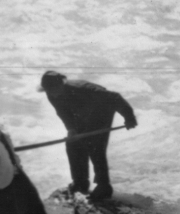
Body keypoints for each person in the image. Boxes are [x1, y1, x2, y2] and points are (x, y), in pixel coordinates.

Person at [39, 70, 138, 201]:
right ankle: (80, 181)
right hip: (81, 113)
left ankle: (104, 186)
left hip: (102, 109)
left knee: (94, 144)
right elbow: (63, 113)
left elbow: (114, 97)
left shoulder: (83, 90)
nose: (51, 94)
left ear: (61, 85)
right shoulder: (51, 94)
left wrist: (129, 117)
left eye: (53, 89)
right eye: (48, 90)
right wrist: (71, 129)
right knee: (72, 143)